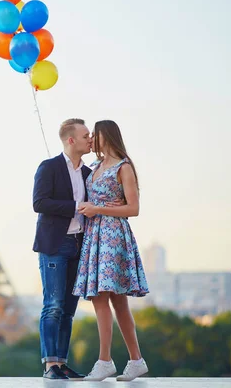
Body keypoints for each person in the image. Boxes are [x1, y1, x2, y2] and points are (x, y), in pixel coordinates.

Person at [73, 120, 150, 382]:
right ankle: (136, 360)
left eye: (96, 134)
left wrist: (98, 209)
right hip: (95, 235)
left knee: (102, 297)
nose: (92, 138)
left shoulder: (123, 167)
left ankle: (105, 360)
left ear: (108, 135)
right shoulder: (94, 167)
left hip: (112, 235)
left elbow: (133, 209)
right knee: (116, 301)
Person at [32, 118, 92, 380]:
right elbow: (39, 202)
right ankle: (49, 366)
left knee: (68, 309)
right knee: (53, 305)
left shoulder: (89, 174)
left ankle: (61, 363)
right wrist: (75, 207)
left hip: (79, 246)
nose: (90, 139)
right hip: (55, 245)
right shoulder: (49, 167)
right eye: (86, 135)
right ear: (71, 140)